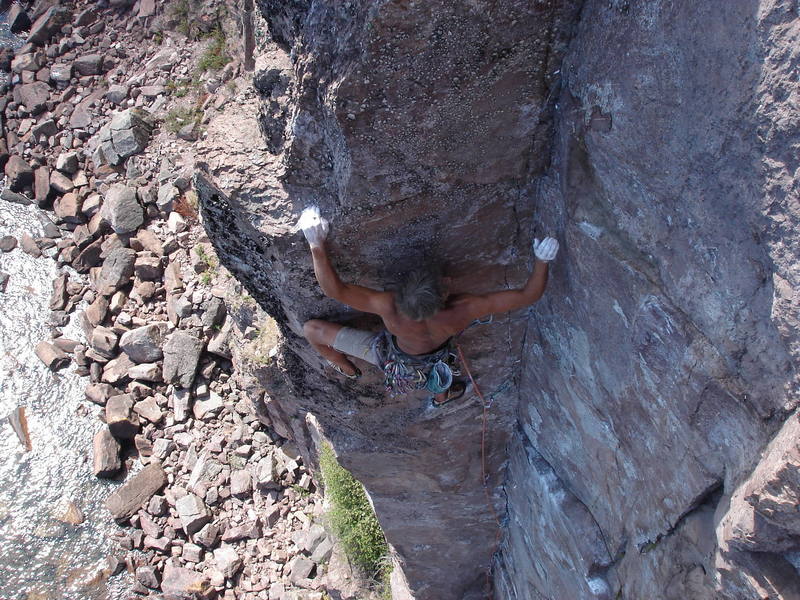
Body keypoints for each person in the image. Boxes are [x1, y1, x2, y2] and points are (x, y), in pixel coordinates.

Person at [297, 207, 559, 406]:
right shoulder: (464, 309)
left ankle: (344, 366)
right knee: (437, 372)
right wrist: (542, 261)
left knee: (312, 331)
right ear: (444, 295)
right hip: (436, 356)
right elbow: (527, 296)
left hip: (390, 357)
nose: (448, 280)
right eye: (445, 283)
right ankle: (441, 398)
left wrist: (316, 244)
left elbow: (335, 290)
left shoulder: (389, 305)